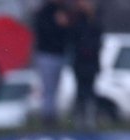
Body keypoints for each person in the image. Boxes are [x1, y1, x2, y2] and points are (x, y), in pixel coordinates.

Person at [32, 0, 71, 126]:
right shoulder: (44, 11)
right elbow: (42, 32)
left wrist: (65, 25)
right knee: (48, 87)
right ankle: (47, 117)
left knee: (56, 88)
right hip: (46, 54)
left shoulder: (65, 10)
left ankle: (53, 114)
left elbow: (68, 34)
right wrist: (56, 23)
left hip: (59, 54)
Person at [70, 0, 103, 130]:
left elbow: (98, 41)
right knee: (80, 91)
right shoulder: (78, 21)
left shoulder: (96, 22)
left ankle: (90, 120)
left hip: (92, 62)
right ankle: (79, 120)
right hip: (80, 62)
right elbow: (74, 39)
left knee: (90, 91)